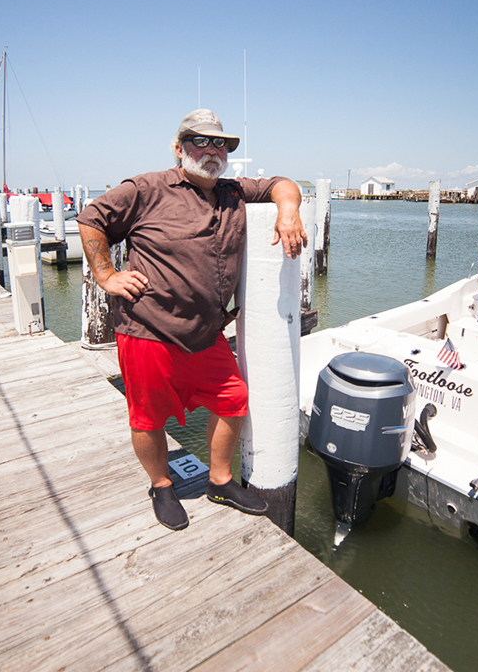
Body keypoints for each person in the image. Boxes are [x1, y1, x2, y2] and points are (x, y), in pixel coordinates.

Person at [76, 108, 307, 530]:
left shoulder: (234, 191)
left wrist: (287, 211)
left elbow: (282, 184)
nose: (212, 150)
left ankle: (219, 480)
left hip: (206, 334)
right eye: (200, 141)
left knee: (233, 400)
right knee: (147, 417)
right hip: (149, 330)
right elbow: (92, 218)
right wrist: (106, 274)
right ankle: (161, 484)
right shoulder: (146, 188)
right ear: (178, 148)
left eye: (220, 143)